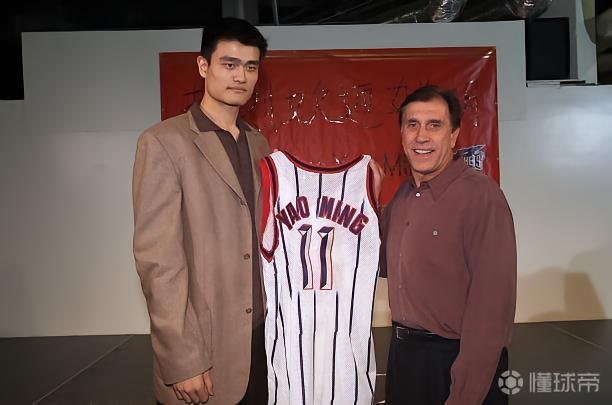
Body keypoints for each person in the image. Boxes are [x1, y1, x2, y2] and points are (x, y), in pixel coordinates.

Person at [132, 17, 269, 405]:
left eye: (251, 66)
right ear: (203, 66)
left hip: (260, 342)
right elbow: (158, 263)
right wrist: (183, 360)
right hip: (204, 351)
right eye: (229, 64)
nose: (240, 76)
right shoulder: (163, 142)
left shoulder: (259, 144)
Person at [380, 85, 517, 405]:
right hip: (404, 358)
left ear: (454, 136)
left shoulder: (481, 196)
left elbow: (491, 308)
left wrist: (466, 393)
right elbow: (380, 264)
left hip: (455, 361)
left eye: (434, 125)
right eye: (412, 125)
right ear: (402, 134)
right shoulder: (401, 198)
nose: (421, 136)